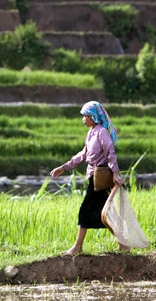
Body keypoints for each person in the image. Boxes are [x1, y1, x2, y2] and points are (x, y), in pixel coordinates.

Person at [50, 101, 127, 255]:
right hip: (93, 176)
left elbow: (110, 153)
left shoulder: (102, 132)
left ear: (93, 117)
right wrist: (63, 167)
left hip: (100, 178)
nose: (83, 119)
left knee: (86, 210)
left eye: (85, 116)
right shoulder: (91, 132)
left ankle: (77, 247)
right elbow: (83, 154)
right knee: (105, 213)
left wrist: (116, 173)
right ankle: (123, 245)